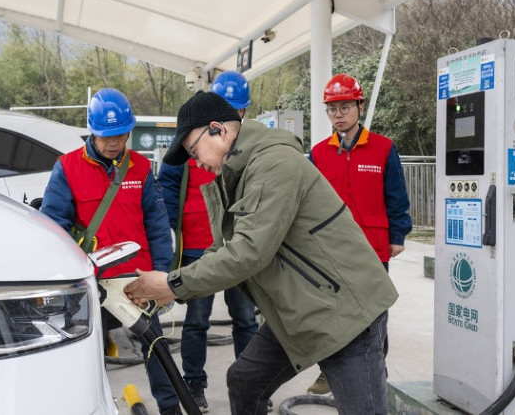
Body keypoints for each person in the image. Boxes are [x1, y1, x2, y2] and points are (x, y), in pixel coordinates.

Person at [124, 91, 399, 415]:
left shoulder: (274, 162)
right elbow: (221, 249)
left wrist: (171, 285)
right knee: (244, 382)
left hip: (345, 310)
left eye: (193, 149)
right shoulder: (231, 178)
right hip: (298, 309)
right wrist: (171, 288)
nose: (195, 162)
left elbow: (250, 251)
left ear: (218, 130)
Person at [40, 88, 183, 415]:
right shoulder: (68, 168)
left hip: (138, 280)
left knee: (156, 350)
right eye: (107, 136)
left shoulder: (141, 169)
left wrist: (162, 277)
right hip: (93, 282)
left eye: (121, 134)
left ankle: (171, 407)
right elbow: (53, 227)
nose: (114, 142)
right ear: (91, 131)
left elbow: (158, 226)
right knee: (87, 354)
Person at [157, 71, 257, 412]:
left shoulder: (250, 146)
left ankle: (251, 387)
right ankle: (194, 384)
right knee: (197, 322)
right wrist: (174, 230)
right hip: (197, 246)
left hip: (237, 249)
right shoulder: (192, 141)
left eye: (237, 111)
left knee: (245, 319)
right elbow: (168, 186)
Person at [306, 73, 412, 395]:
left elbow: (397, 196)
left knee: (375, 318)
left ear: (359, 107)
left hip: (372, 250)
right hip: (331, 252)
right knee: (332, 315)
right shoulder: (319, 153)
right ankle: (329, 371)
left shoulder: (383, 148)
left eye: (345, 107)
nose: (338, 114)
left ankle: (376, 372)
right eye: (332, 109)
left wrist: (398, 235)